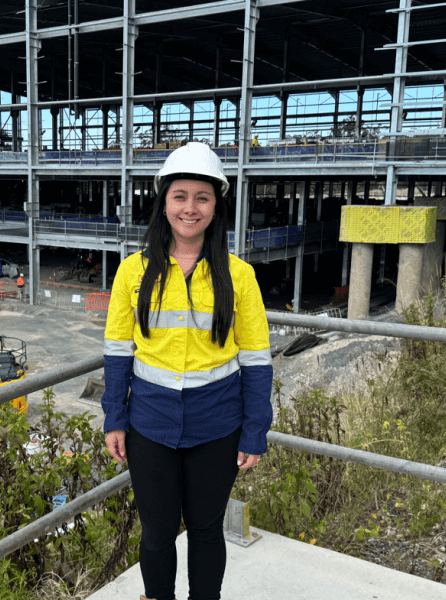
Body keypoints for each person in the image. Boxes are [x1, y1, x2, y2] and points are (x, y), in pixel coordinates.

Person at [101, 142, 273, 600]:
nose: (190, 208)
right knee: (156, 534)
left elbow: (256, 360)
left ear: (217, 207)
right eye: (180, 196)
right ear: (164, 203)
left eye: (202, 197)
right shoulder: (131, 273)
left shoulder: (238, 277)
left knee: (206, 530)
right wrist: (114, 417)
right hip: (150, 424)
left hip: (217, 425)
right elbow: (118, 352)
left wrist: (256, 429)